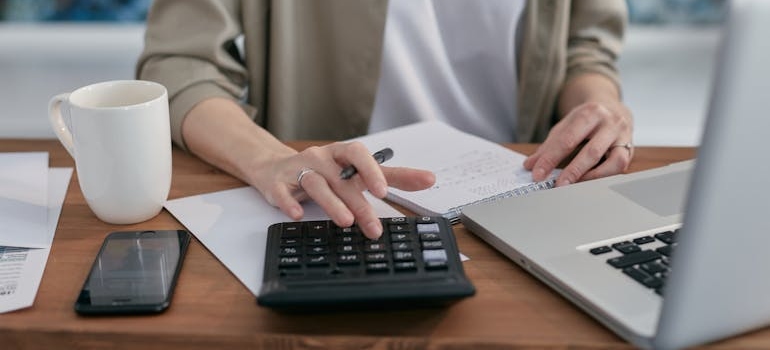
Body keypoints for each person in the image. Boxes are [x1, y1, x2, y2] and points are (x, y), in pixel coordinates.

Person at [137, 0, 633, 239]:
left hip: (524, 198)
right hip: (334, 205)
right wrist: (270, 161)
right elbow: (183, 64)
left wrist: (597, 106)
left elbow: (585, 49)